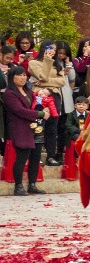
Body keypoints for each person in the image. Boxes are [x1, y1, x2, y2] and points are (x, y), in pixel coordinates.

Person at [4, 67, 46, 195]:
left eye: (24, 75)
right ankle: (18, 186)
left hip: (34, 127)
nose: (23, 78)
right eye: (20, 75)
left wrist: (45, 110)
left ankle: (32, 184)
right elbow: (19, 110)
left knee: (35, 156)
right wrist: (39, 114)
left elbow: (36, 104)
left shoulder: (28, 91)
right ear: (12, 77)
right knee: (22, 157)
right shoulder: (9, 93)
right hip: (20, 127)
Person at [28, 42, 68, 166]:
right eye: (50, 48)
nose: (53, 51)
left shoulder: (58, 65)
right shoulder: (33, 63)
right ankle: (36, 156)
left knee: (52, 127)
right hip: (39, 95)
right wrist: (47, 60)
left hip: (54, 95)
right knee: (38, 124)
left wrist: (47, 85)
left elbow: (61, 82)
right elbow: (43, 76)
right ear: (43, 48)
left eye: (55, 49)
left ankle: (51, 156)